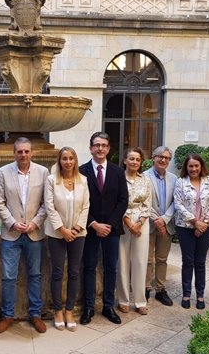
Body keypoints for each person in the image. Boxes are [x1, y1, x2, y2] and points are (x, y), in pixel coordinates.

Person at [0, 137, 49, 334]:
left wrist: (35, 223)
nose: (23, 155)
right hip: (11, 234)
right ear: (14, 153)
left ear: (32, 152)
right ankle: (7, 315)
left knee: (35, 275)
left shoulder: (43, 172)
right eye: (19, 152)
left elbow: (46, 203)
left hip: (35, 233)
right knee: (8, 277)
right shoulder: (3, 172)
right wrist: (12, 223)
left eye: (26, 151)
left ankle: (35, 314)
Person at [78, 132, 128, 325]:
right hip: (90, 228)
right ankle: (89, 307)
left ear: (108, 148)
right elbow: (79, 202)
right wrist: (94, 224)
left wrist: (111, 224)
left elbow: (123, 200)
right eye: (97, 145)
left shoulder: (117, 172)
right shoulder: (81, 171)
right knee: (89, 267)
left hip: (112, 229)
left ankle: (108, 306)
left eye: (104, 145)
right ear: (90, 148)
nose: (100, 148)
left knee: (110, 268)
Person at [44, 146, 90, 331]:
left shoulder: (83, 180)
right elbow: (49, 206)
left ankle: (69, 310)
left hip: (78, 234)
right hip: (56, 233)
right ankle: (57, 310)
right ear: (59, 161)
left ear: (75, 160)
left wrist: (77, 228)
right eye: (65, 158)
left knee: (74, 272)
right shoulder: (51, 180)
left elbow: (86, 206)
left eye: (71, 158)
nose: (68, 161)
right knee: (57, 272)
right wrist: (63, 229)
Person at [174, 154, 209, 310]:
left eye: (196, 166)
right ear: (186, 167)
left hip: (206, 227)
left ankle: (200, 295)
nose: (193, 169)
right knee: (188, 261)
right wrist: (195, 222)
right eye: (190, 166)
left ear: (201, 166)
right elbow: (178, 205)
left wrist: (204, 224)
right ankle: (186, 294)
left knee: (200, 262)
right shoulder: (180, 182)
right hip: (185, 227)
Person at [116, 148, 152, 315]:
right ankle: (123, 300)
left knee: (140, 261)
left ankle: (140, 301)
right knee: (122, 261)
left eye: (137, 160)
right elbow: (116, 201)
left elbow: (148, 203)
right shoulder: (118, 177)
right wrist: (129, 222)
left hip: (141, 222)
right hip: (122, 220)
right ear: (125, 160)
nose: (134, 162)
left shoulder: (145, 179)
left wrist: (139, 223)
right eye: (131, 159)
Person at [143, 146, 177, 306]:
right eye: (160, 157)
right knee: (148, 260)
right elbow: (143, 202)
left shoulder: (174, 179)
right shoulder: (143, 177)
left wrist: (164, 219)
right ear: (153, 158)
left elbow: (175, 202)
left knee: (162, 259)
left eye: (167, 158)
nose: (163, 160)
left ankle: (161, 289)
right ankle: (145, 288)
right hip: (148, 225)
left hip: (166, 225)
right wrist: (157, 220)